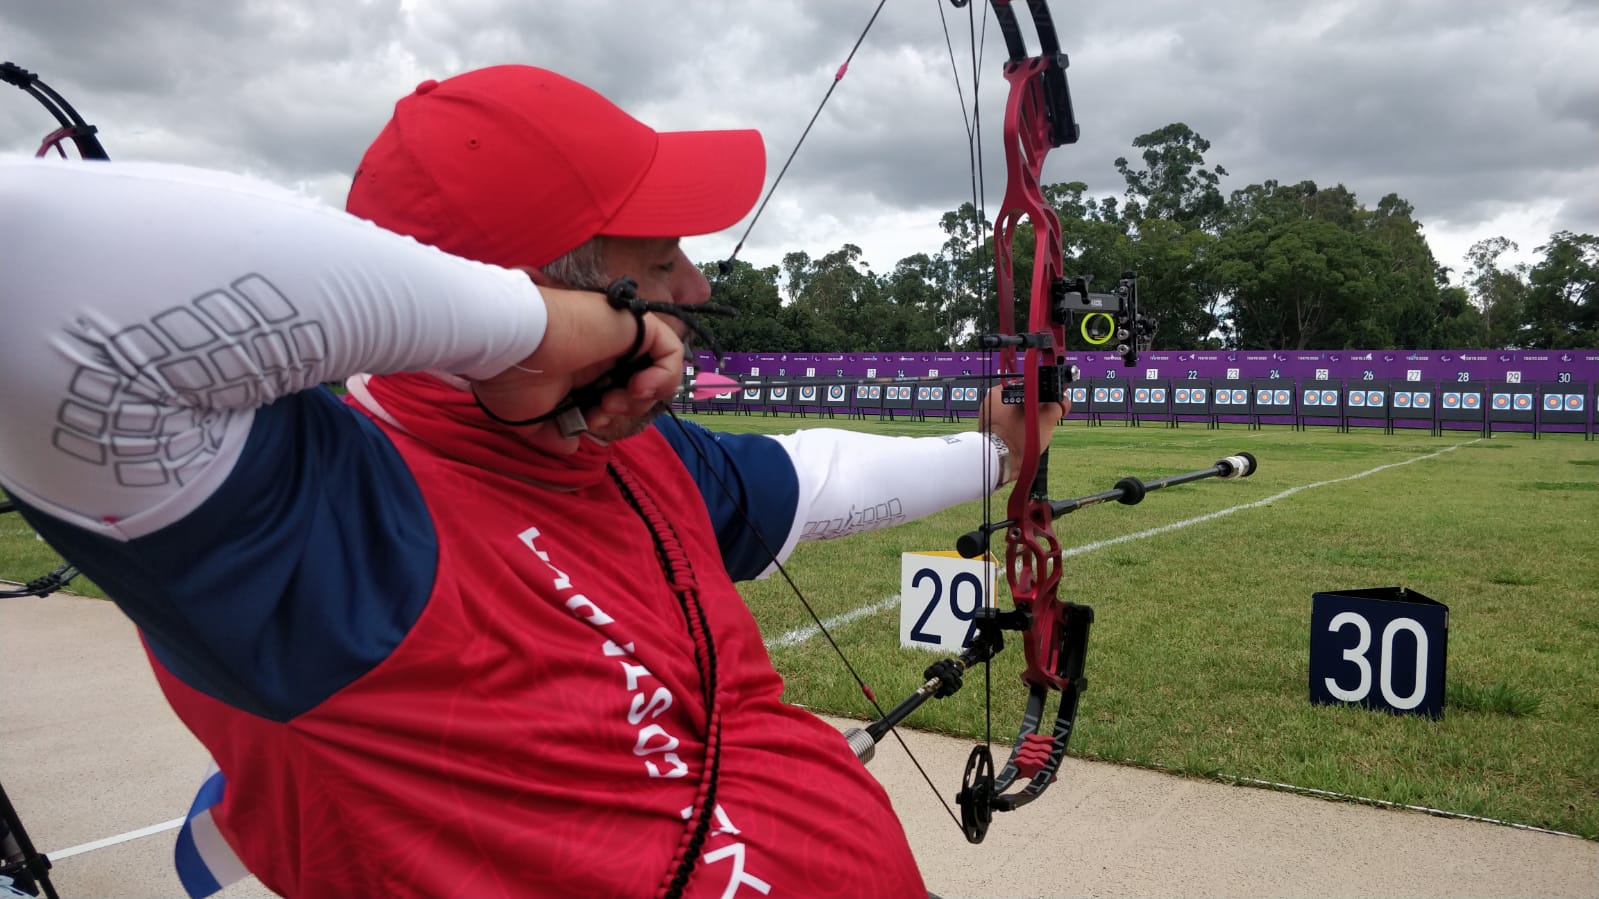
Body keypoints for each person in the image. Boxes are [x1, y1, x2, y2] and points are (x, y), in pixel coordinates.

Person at [0, 65, 1061, 898]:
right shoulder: (315, 520)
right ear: (556, 307)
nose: (696, 285)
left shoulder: (622, 448)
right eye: (660, 260)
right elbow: (27, 260)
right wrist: (520, 331)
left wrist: (997, 453)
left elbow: (807, 478)